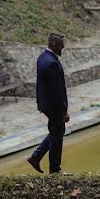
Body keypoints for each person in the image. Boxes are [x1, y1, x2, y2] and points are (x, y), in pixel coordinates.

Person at [27, 32, 71, 175]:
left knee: (56, 132)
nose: (62, 48)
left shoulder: (43, 57)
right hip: (53, 106)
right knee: (57, 136)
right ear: (53, 44)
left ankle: (36, 157)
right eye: (60, 46)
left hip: (46, 104)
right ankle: (54, 170)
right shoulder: (51, 63)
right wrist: (64, 110)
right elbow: (57, 91)